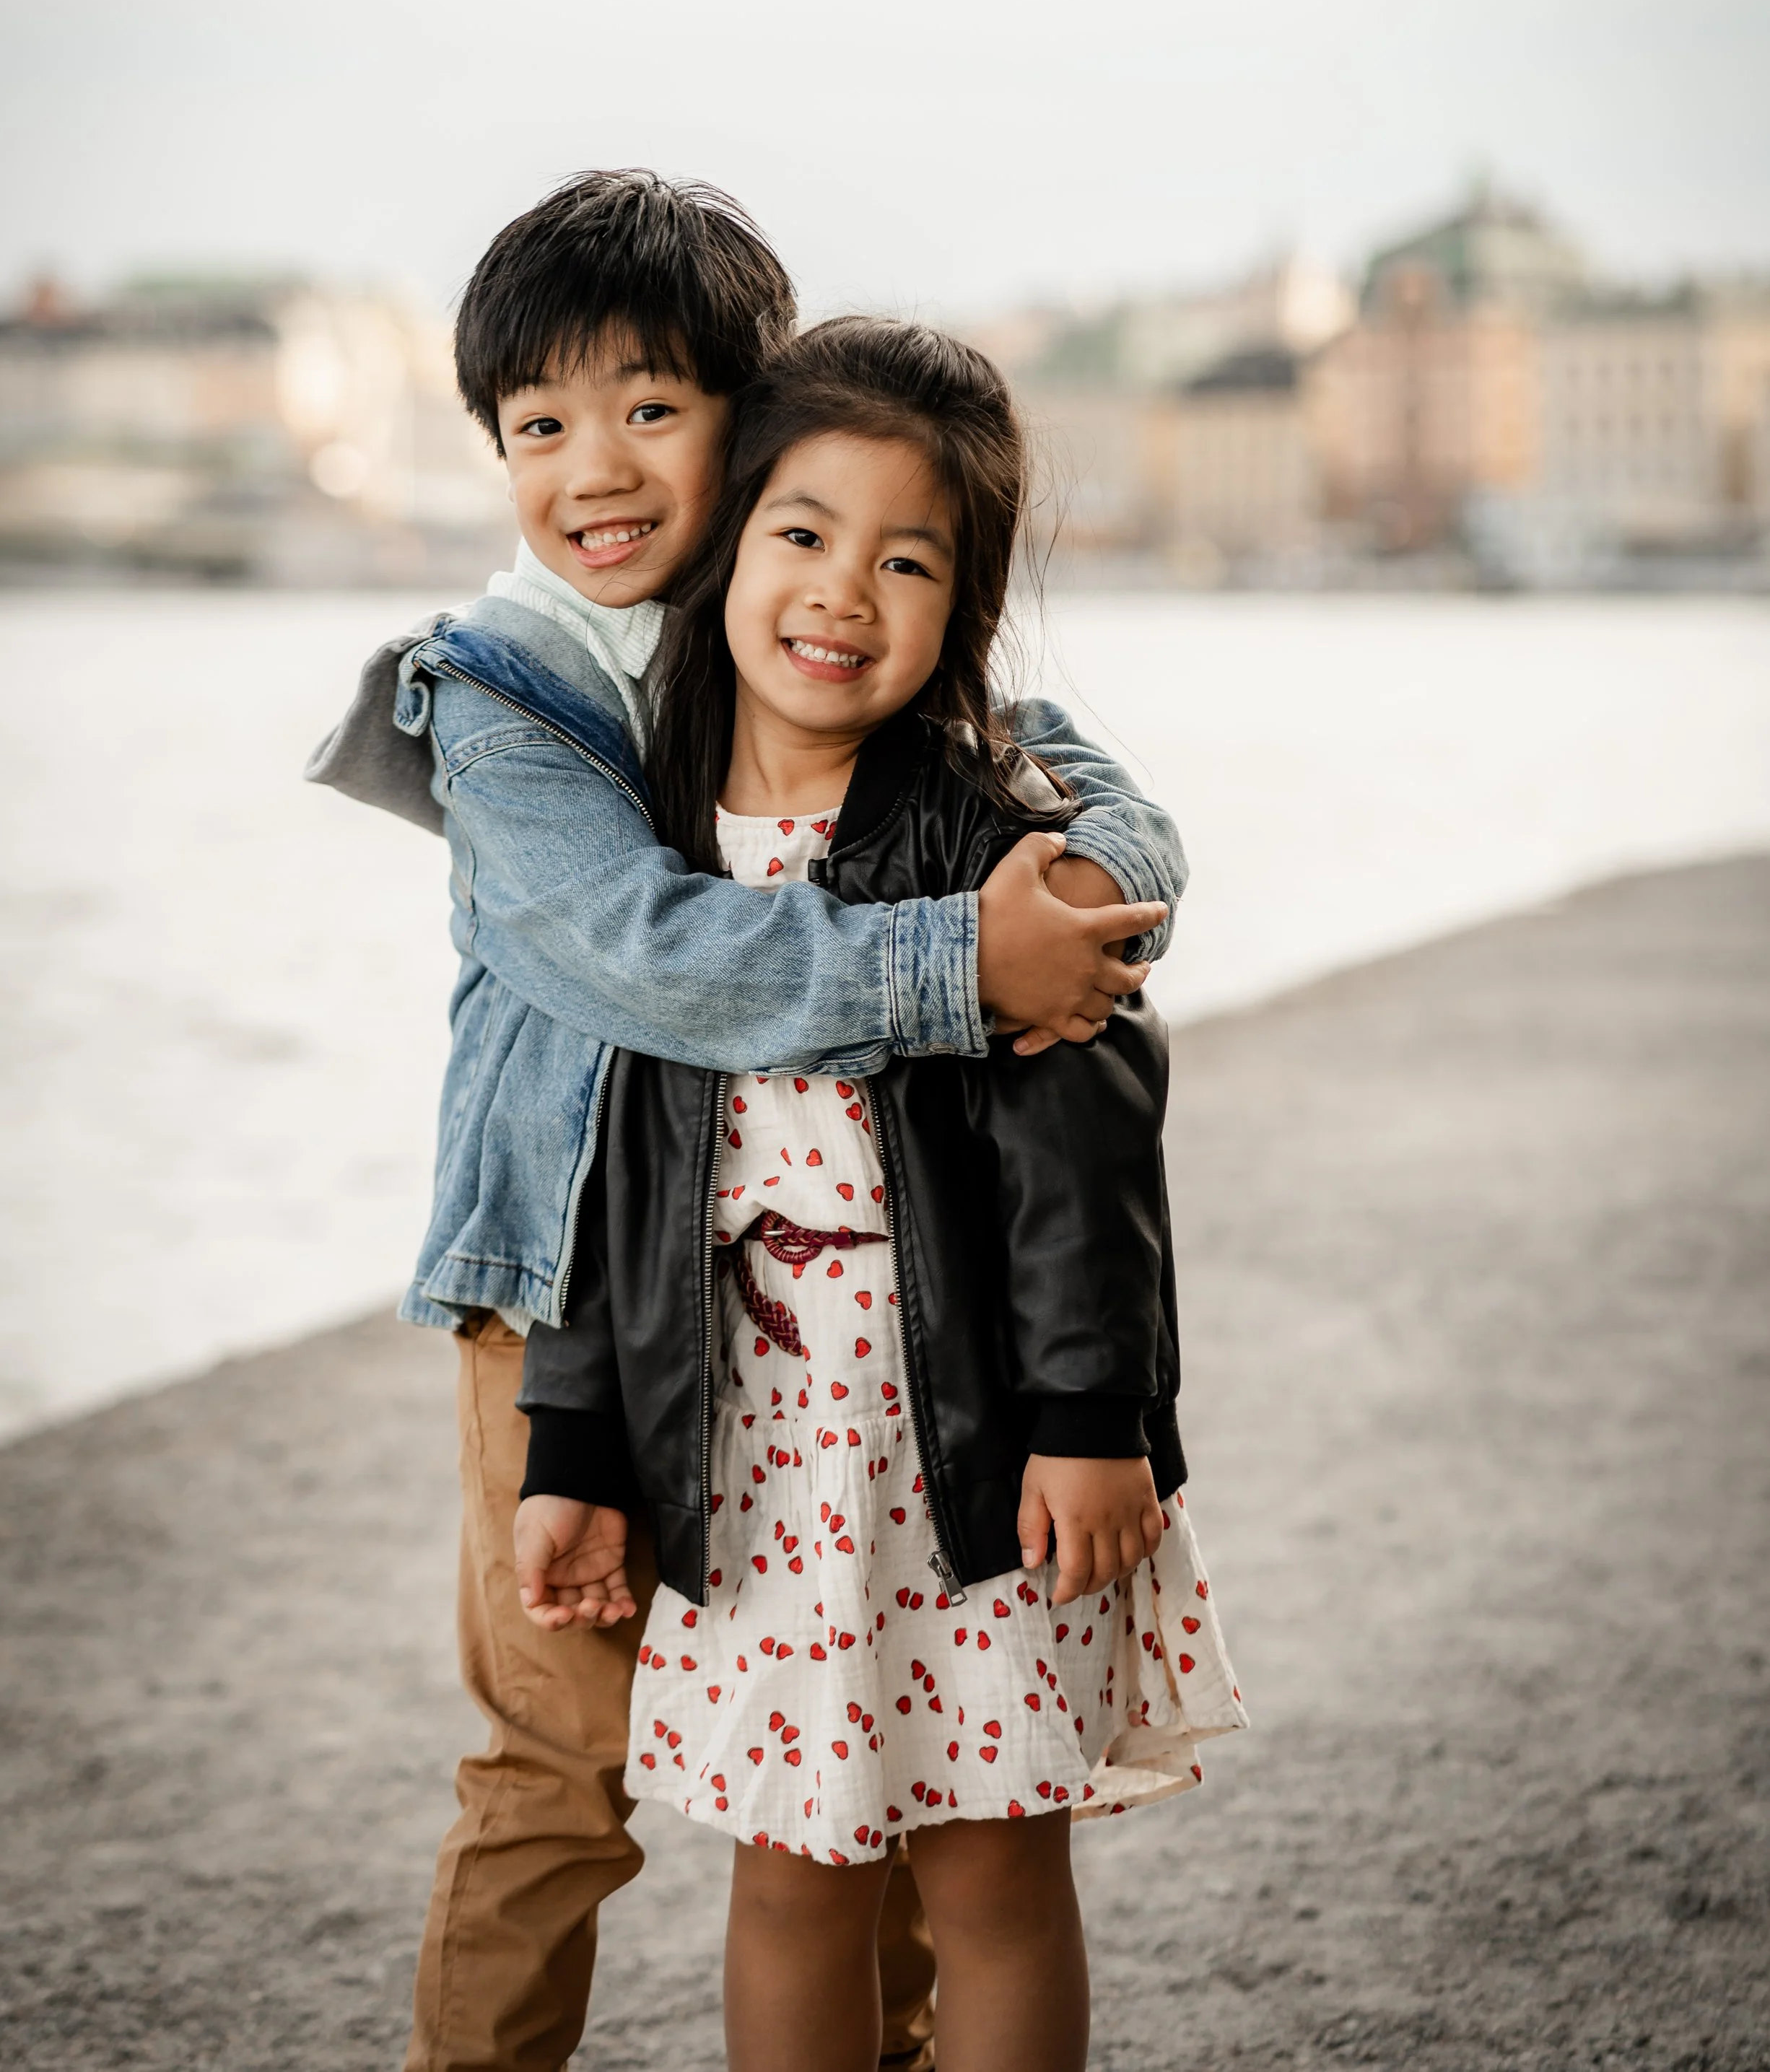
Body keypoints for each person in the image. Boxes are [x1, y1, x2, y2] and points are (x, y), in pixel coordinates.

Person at [306, 173, 1193, 2072]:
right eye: (536, 426)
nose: (595, 467)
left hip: (873, 1371)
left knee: (863, 1767)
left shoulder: (812, 632)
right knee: (561, 1762)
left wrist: (1099, 888)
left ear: (752, 411)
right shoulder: (510, 694)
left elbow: (1068, 794)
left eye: (648, 407)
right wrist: (976, 954)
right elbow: (657, 966)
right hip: (572, 1288)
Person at [513, 317, 1246, 2072]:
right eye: (803, 535)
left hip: (971, 1437)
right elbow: (605, 1180)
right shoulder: (650, 850)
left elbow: (1090, 1150)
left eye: (904, 560)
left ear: (962, 609)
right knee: (788, 1878)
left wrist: (1091, 1414)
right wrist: (574, 1447)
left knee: (993, 1876)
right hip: (752, 1455)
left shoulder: (987, 835)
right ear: (725, 547)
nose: (842, 592)